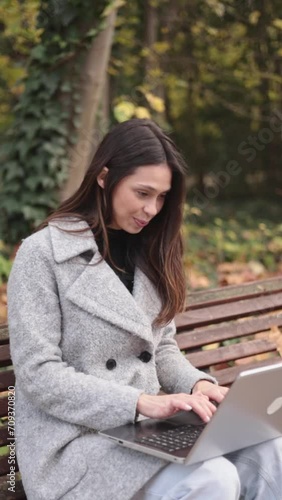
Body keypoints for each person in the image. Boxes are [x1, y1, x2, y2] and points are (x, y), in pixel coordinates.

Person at [7, 118, 282, 500]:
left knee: (269, 447)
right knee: (212, 478)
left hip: (145, 432)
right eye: (142, 193)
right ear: (104, 177)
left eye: (162, 197)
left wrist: (197, 384)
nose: (152, 209)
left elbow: (161, 348)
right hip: (76, 444)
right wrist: (139, 403)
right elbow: (38, 374)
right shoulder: (44, 254)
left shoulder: (148, 252)